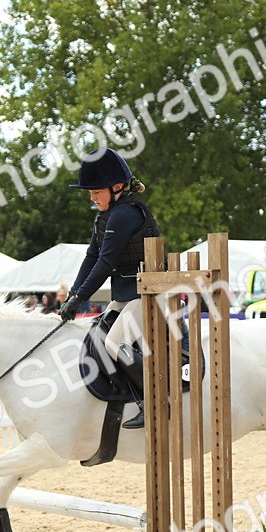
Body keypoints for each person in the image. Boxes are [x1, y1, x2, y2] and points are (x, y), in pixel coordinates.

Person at [60, 148, 161, 429]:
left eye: (96, 191)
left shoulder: (125, 214)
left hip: (148, 293)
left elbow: (105, 263)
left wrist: (81, 298)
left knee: (115, 342)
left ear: (117, 187)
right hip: (127, 295)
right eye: (89, 192)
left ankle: (155, 400)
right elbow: (91, 256)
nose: (91, 197)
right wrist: (72, 294)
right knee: (96, 337)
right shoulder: (105, 216)